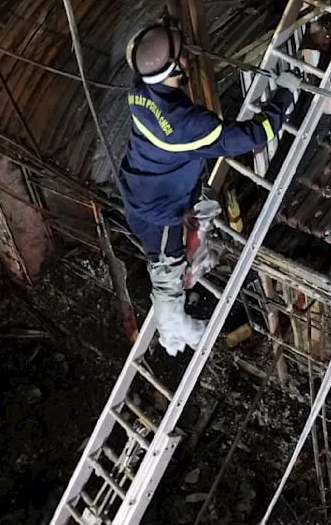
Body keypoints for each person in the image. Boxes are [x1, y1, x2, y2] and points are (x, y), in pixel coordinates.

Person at [119, 21, 299, 356]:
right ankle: (173, 329)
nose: (187, 60)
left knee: (185, 234)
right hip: (157, 212)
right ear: (173, 69)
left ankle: (186, 285)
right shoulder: (187, 126)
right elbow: (254, 135)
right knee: (165, 267)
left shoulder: (139, 90)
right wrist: (284, 97)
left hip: (145, 186)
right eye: (182, 58)